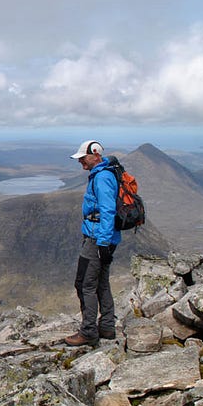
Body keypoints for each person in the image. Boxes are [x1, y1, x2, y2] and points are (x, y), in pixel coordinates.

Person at [65, 140, 121, 346]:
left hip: (98, 239)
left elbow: (107, 210)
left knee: (84, 284)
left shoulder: (103, 177)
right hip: (102, 238)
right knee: (101, 283)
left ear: (95, 155)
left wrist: (103, 243)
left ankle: (88, 332)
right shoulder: (104, 174)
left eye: (83, 158)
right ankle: (106, 327)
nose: (81, 162)